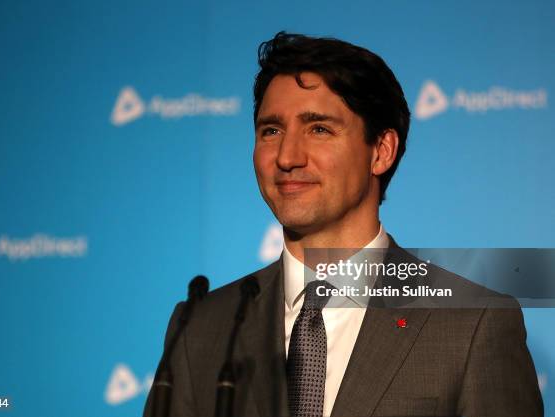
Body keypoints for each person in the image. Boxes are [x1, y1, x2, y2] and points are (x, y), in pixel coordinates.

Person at [143, 32, 543, 417]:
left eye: (318, 129)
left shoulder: (472, 325)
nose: (287, 156)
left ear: (381, 152)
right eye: (271, 130)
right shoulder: (200, 327)